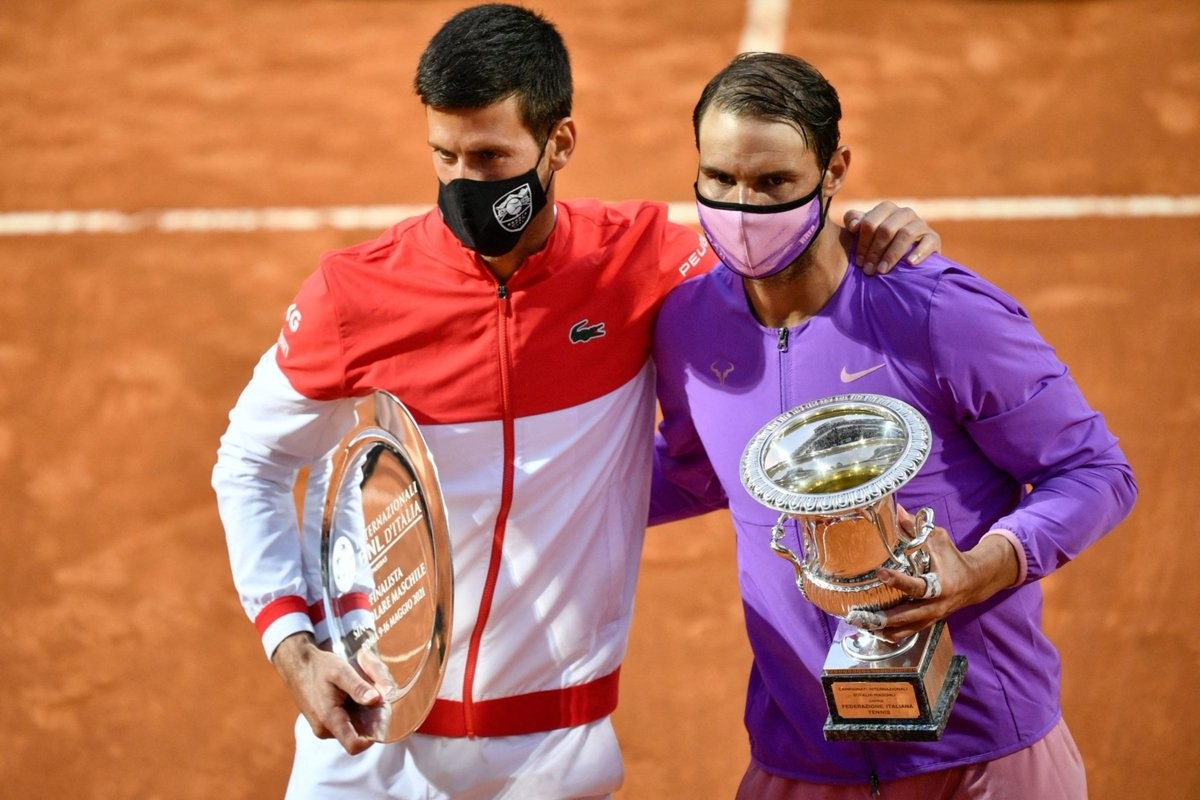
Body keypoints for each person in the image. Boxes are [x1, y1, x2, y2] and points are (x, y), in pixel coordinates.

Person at [211, 5, 944, 798]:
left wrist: (870, 234)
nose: (464, 183)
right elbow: (251, 460)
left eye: (490, 157)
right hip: (369, 747)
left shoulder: (640, 264)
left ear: (559, 143)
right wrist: (291, 644)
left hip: (551, 756)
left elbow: (782, 260)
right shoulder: (354, 295)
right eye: (444, 156)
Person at [650, 51, 1138, 799]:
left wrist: (985, 566)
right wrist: (512, 496)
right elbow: (693, 471)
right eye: (720, 179)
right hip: (801, 758)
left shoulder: (939, 312)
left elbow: (1095, 471)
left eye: (774, 182)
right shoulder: (687, 326)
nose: (744, 210)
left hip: (982, 756)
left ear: (834, 171)